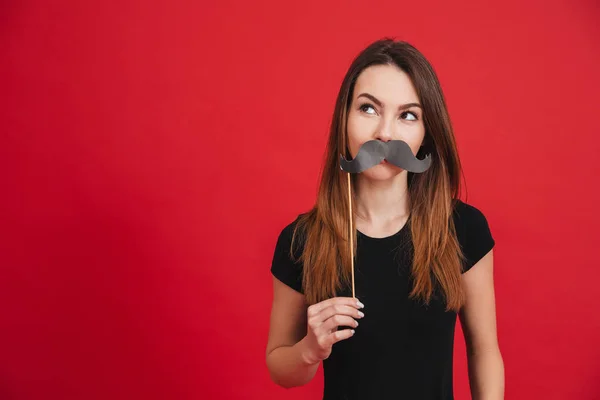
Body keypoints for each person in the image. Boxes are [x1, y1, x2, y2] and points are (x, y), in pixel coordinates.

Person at [265, 38, 505, 400]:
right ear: (344, 120)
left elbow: (483, 351)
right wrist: (309, 350)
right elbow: (280, 368)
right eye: (368, 109)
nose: (385, 134)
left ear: (426, 135)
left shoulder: (464, 229)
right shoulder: (301, 240)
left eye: (408, 115)